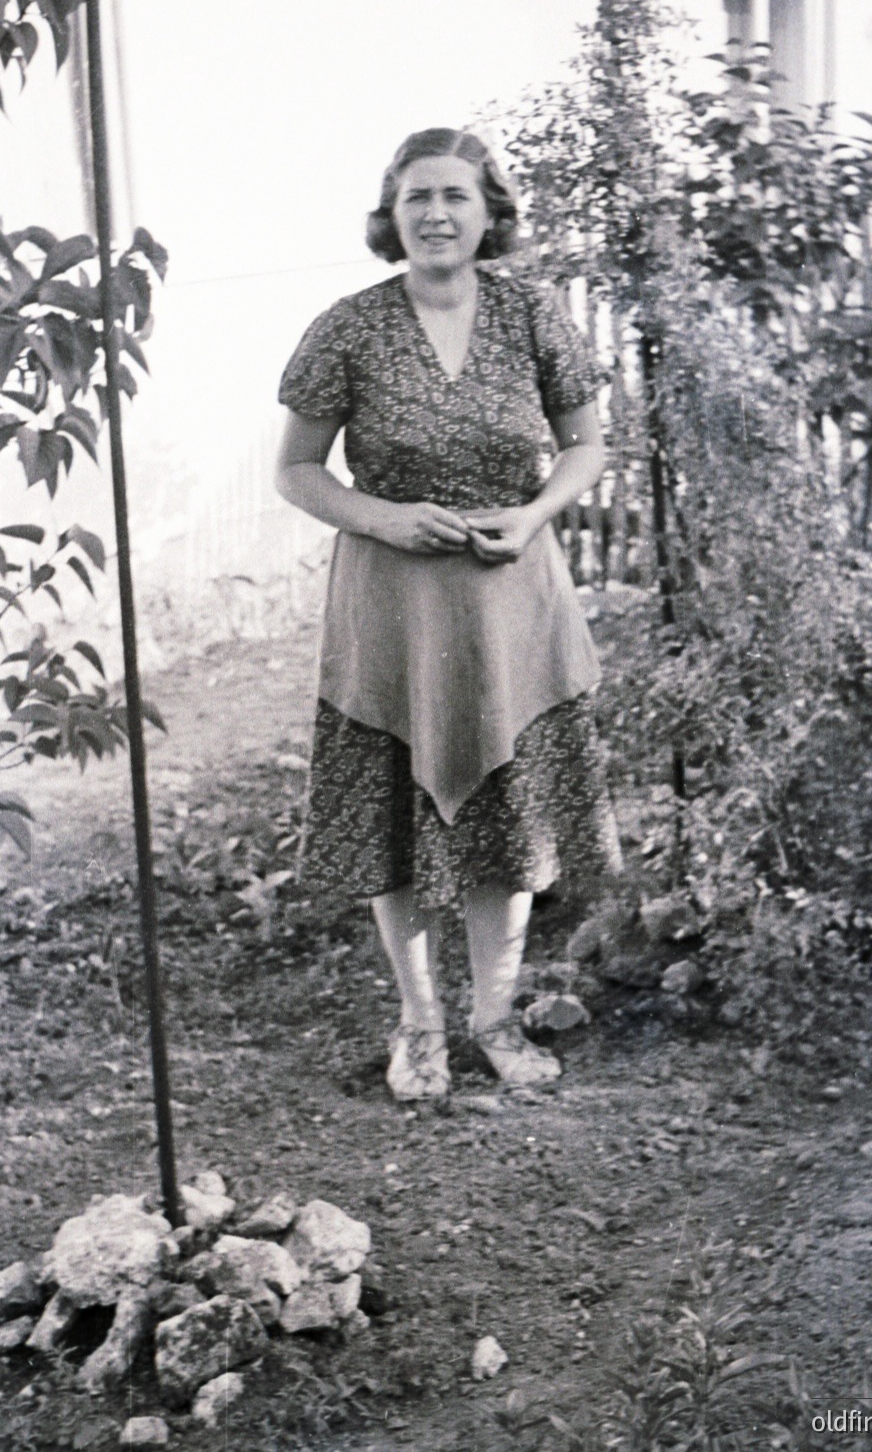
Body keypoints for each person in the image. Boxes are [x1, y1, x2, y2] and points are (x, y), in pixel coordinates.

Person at [274, 127, 620, 1102]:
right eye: (417, 196)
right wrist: (382, 516)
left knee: (509, 819)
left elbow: (587, 446)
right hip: (393, 608)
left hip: (513, 601)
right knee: (397, 816)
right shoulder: (347, 328)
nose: (435, 214)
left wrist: (535, 513)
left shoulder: (532, 314)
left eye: (455, 195)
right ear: (391, 215)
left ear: (488, 211)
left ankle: (494, 1019)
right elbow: (295, 469)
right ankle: (419, 1025)